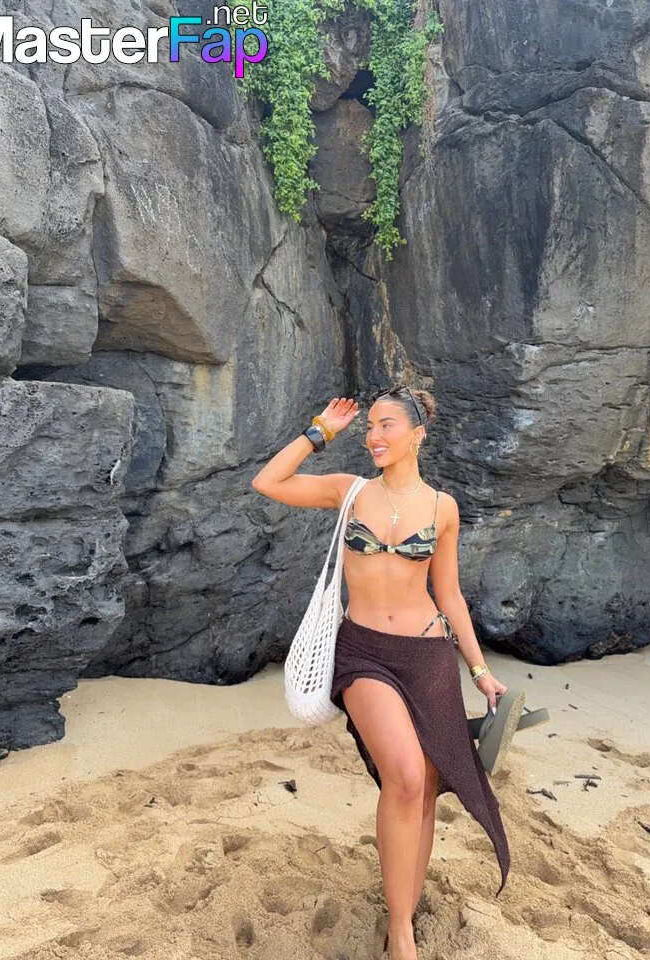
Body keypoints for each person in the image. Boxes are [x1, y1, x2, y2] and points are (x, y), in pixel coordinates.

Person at [251, 387, 516, 960]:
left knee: (426, 786)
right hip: (363, 653)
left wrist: (479, 670)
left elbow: (449, 594)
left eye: (386, 425)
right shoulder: (350, 492)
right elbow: (269, 482)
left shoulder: (443, 508)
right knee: (404, 774)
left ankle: (405, 911)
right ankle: (400, 935)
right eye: (369, 426)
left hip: (428, 655)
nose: (373, 436)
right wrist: (320, 431)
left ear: (417, 434)